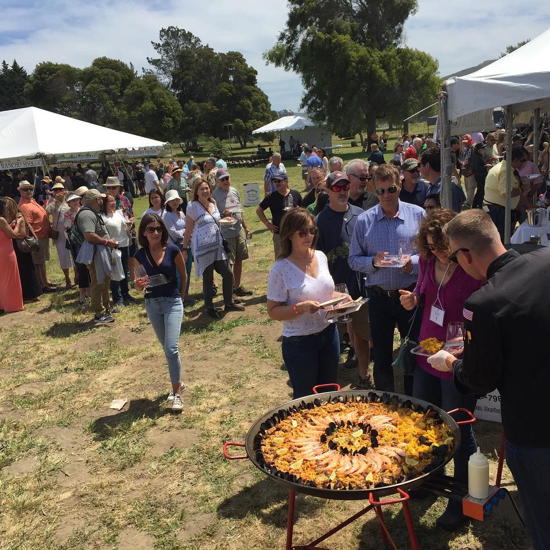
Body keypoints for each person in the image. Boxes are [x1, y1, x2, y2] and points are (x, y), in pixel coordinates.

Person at [427, 209, 550, 549]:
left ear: (464, 255)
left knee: (544, 523)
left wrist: (451, 363)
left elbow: (477, 381)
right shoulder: (546, 258)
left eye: (454, 256)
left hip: (534, 432)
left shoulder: (483, 303)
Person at [399, 210, 482, 529]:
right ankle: (430, 480)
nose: (438, 253)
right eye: (432, 247)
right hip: (427, 350)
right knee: (425, 421)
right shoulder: (429, 262)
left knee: (458, 428)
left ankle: (461, 499)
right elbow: (422, 293)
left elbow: (482, 309)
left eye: (443, 246)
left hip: (458, 356)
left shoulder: (471, 267)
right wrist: (412, 300)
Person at [349, 164, 425, 394]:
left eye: (390, 189)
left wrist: (413, 262)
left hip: (409, 294)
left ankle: (414, 399)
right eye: (380, 191)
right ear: (374, 190)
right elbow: (353, 259)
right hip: (379, 296)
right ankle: (386, 399)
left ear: (399, 185)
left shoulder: (418, 214)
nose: (386, 196)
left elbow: (429, 253)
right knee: (381, 353)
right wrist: (373, 262)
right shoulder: (364, 221)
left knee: (413, 349)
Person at [267, 208, 349, 398]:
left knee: (329, 393)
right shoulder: (280, 269)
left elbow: (324, 292)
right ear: (289, 234)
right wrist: (299, 308)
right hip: (300, 343)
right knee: (305, 399)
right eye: (302, 232)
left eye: (312, 231)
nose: (309, 236)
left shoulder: (320, 256)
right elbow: (273, 311)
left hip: (329, 335)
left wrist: (342, 298)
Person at [316, 172, 372, 388]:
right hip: (333, 290)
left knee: (361, 334)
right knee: (329, 335)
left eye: (346, 187)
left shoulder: (361, 215)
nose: (342, 192)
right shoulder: (320, 220)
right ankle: (327, 378)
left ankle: (364, 375)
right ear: (328, 191)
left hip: (358, 287)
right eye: (337, 188)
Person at [131, 214, 187, 412]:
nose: (155, 232)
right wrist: (137, 285)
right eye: (150, 229)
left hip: (172, 302)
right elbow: (137, 285)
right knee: (167, 349)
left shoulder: (172, 250)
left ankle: (177, 394)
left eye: (158, 229)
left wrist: (180, 298)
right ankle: (178, 381)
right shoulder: (138, 256)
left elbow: (183, 275)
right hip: (152, 304)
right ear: (143, 233)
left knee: (171, 348)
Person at [181, 179, 244, 319]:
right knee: (208, 278)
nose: (205, 191)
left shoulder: (213, 203)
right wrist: (184, 249)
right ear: (196, 192)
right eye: (202, 189)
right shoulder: (192, 206)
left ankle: (228, 302)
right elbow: (188, 229)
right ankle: (209, 307)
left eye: (207, 188)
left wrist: (225, 216)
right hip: (203, 248)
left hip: (217, 245)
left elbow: (215, 220)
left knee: (227, 273)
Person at [76, 189, 119, 324]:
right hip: (95, 253)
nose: (102, 201)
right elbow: (89, 235)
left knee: (105, 281)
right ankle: (99, 314)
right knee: (98, 283)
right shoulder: (87, 214)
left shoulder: (92, 212)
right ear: (95, 200)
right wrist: (107, 242)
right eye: (100, 199)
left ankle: (106, 308)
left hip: (100, 252)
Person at [212, 169, 253, 298]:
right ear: (217, 181)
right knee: (229, 262)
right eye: (222, 179)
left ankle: (237, 287)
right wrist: (223, 214)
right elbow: (212, 215)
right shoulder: (214, 195)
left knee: (239, 259)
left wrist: (245, 227)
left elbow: (239, 211)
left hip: (238, 229)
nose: (225, 181)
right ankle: (230, 291)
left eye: (227, 178)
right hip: (225, 232)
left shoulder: (234, 191)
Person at [17, 180, 55, 292]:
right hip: (37, 237)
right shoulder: (24, 205)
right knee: (38, 263)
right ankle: (43, 285)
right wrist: (34, 239)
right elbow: (28, 225)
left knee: (41, 261)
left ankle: (45, 281)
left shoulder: (31, 201)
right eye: (25, 189)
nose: (29, 191)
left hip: (42, 235)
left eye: (30, 188)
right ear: (20, 191)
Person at [483, 147, 528, 241]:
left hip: (496, 209)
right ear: (515, 160)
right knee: (501, 239)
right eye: (523, 160)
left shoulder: (505, 168)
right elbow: (507, 192)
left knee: (498, 238)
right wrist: (521, 189)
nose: (525, 163)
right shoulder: (505, 171)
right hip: (498, 211)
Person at [256, 174, 303, 258]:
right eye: (275, 181)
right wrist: (267, 223)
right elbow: (259, 210)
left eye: (279, 181)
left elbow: (304, 211)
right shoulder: (271, 196)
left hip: (295, 232)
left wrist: (299, 211)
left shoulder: (295, 194)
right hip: (279, 234)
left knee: (296, 257)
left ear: (286, 181)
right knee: (280, 258)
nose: (277, 183)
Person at [101, 194, 132, 309]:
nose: (113, 203)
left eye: (113, 200)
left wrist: (129, 225)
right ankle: (117, 298)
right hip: (114, 248)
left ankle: (126, 294)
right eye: (110, 201)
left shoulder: (118, 213)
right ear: (104, 204)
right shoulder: (102, 217)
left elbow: (124, 227)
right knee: (115, 273)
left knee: (124, 271)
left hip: (124, 244)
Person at [162, 189, 193, 301]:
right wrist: (185, 232)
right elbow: (173, 232)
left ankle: (185, 293)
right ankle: (179, 296)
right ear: (168, 203)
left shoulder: (181, 213)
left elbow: (188, 227)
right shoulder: (166, 215)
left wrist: (186, 232)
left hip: (186, 244)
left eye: (176, 200)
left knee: (187, 270)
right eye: (172, 200)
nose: (175, 202)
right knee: (179, 272)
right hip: (175, 247)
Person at [46, 181, 75, 289]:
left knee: (74, 254)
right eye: (55, 190)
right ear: (53, 192)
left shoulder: (69, 200)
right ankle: (67, 279)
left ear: (63, 190)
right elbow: (46, 213)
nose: (58, 192)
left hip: (71, 232)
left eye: (60, 190)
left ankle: (77, 277)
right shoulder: (52, 203)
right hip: (60, 234)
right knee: (63, 256)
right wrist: (53, 202)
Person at [419, 148, 466, 213]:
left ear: (427, 166)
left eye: (420, 165)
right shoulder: (433, 186)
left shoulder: (448, 189)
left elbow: (452, 217)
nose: (418, 169)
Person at [0, 197, 25, 313]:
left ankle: (3, 304)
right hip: (6, 252)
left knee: (2, 279)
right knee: (11, 278)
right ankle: (13, 305)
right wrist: (19, 222)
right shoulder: (1, 220)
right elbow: (13, 235)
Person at [64, 194, 90, 305]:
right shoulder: (67, 214)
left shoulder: (84, 210)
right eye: (72, 201)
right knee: (81, 269)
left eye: (76, 200)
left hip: (87, 243)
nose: (75, 202)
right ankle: (82, 296)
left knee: (90, 268)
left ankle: (90, 293)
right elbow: (67, 230)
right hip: (76, 245)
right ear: (68, 203)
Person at [470, 142, 488, 209]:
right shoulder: (476, 156)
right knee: (481, 191)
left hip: (480, 176)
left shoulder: (478, 155)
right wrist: (486, 166)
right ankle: (479, 205)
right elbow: (477, 168)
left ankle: (475, 205)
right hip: (480, 176)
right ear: (479, 149)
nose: (484, 149)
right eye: (482, 148)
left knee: (479, 191)